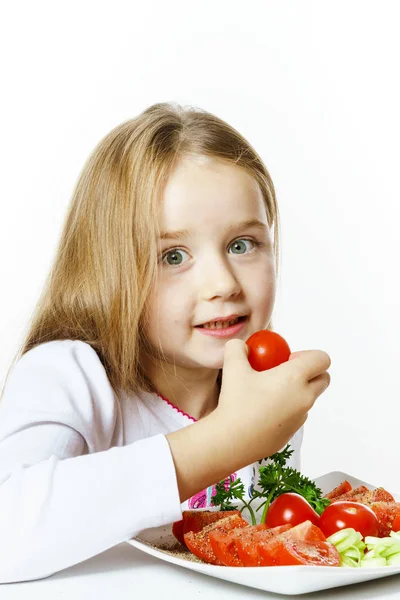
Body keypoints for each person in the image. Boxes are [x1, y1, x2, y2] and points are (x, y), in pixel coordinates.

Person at [0, 102, 330, 583]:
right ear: (107, 274)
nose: (222, 284)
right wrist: (225, 440)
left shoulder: (263, 389)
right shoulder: (68, 375)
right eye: (173, 255)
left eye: (242, 245)